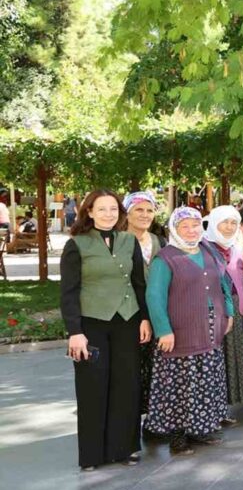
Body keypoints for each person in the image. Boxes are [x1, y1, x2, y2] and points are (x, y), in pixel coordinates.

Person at [60, 190, 152, 471]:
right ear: (89, 211)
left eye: (113, 209)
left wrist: (144, 319)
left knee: (127, 385)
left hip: (127, 321)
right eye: (102, 209)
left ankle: (124, 448)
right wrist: (75, 331)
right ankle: (92, 455)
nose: (109, 214)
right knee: (92, 386)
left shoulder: (128, 241)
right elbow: (69, 292)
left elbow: (139, 284)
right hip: (92, 324)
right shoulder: (76, 245)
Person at [145, 207, 233, 455]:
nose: (192, 230)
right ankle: (177, 436)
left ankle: (200, 429)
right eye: (185, 226)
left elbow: (224, 283)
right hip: (180, 333)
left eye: (196, 225)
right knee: (180, 386)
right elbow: (154, 296)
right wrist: (163, 330)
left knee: (205, 381)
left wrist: (229, 312)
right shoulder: (166, 258)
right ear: (174, 229)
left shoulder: (208, 250)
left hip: (210, 329)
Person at [201, 205, 243, 424]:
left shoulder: (236, 248)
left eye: (234, 222)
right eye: (225, 222)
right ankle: (212, 410)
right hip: (212, 312)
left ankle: (223, 409)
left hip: (237, 311)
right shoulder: (202, 247)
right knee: (215, 360)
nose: (230, 227)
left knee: (231, 358)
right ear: (214, 223)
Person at [122, 191, 165, 422]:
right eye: (139, 209)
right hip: (130, 314)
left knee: (155, 369)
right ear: (127, 213)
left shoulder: (160, 241)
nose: (145, 214)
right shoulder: (118, 242)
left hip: (158, 314)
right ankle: (129, 423)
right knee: (132, 370)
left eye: (149, 210)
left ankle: (153, 421)